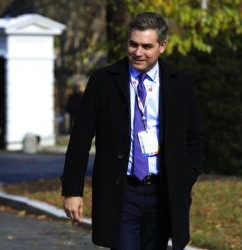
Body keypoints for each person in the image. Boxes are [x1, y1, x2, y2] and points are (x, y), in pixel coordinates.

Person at [60, 12, 204, 250]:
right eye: (133, 44)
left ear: (162, 46)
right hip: (121, 192)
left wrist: (184, 177)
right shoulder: (103, 81)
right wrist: (72, 190)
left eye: (147, 46)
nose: (138, 52)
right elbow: (80, 138)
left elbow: (195, 136)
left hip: (163, 192)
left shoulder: (181, 83)